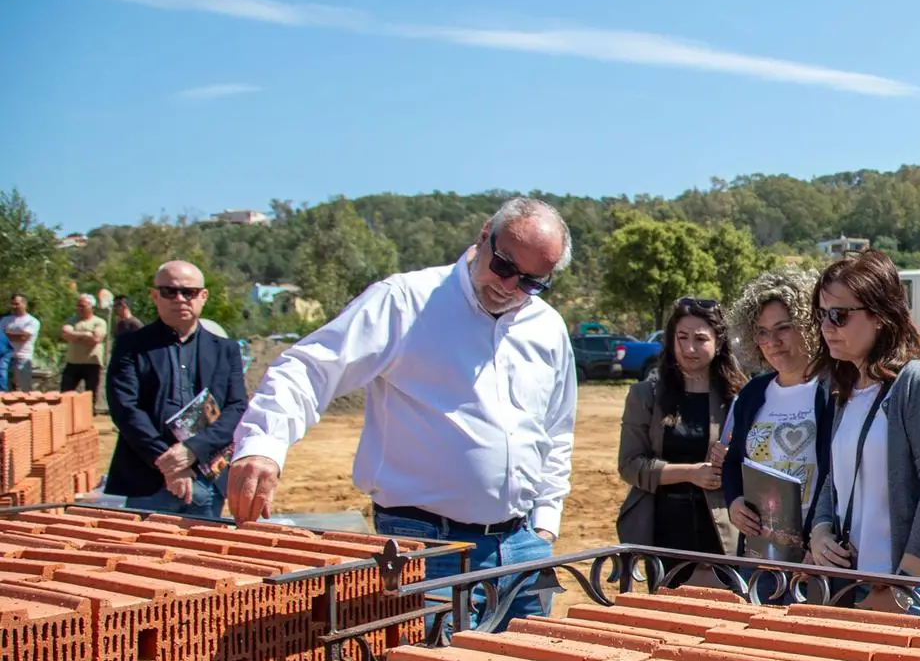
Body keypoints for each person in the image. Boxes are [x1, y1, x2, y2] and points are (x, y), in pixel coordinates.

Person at [229, 197, 577, 630]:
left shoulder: (547, 328)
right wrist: (263, 443)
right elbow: (310, 367)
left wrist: (545, 525)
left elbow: (556, 432)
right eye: (504, 267)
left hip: (524, 547)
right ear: (484, 234)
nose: (508, 287)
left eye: (531, 282)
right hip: (427, 547)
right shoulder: (406, 302)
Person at [805, 250, 920, 612]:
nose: (826, 327)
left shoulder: (917, 380)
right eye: (821, 315)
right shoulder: (844, 387)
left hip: (912, 581)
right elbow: (837, 475)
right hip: (860, 576)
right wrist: (820, 532)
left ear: (880, 316)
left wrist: (902, 581)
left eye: (839, 315)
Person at [104, 263, 246, 518]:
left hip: (208, 478)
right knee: (145, 553)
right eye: (170, 291)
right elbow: (125, 409)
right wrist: (170, 464)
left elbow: (236, 407)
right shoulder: (130, 347)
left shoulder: (226, 349)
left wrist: (192, 449)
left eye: (188, 292)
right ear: (155, 296)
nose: (180, 299)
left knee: (202, 554)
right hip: (148, 478)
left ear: (203, 296)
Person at [720, 270, 832, 575]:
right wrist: (734, 503)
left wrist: (818, 538)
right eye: (762, 332)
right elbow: (732, 463)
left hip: (815, 556)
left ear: (809, 325)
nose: (773, 341)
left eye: (784, 328)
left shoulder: (833, 390)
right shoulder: (753, 393)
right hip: (759, 553)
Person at [616, 297, 744, 559]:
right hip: (663, 530)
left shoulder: (739, 397)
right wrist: (691, 473)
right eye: (682, 337)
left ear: (719, 343)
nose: (689, 348)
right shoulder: (645, 395)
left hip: (723, 532)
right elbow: (629, 465)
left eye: (700, 339)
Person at [59, 294, 109, 404]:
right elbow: (65, 333)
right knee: (65, 393)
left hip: (92, 363)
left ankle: (89, 416)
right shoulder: (71, 320)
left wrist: (74, 337)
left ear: (92, 307)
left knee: (90, 394)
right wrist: (86, 334)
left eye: (83, 306)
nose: (79, 308)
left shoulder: (99, 322)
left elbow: (95, 339)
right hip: (73, 362)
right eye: (78, 306)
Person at [2, 295, 38, 392]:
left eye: (17, 304)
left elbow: (23, 338)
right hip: (6, 358)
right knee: (5, 390)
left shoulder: (32, 321)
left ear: (24, 304)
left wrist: (5, 335)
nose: (14, 306)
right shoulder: (5, 320)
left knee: (24, 389)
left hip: (23, 358)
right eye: (12, 304)